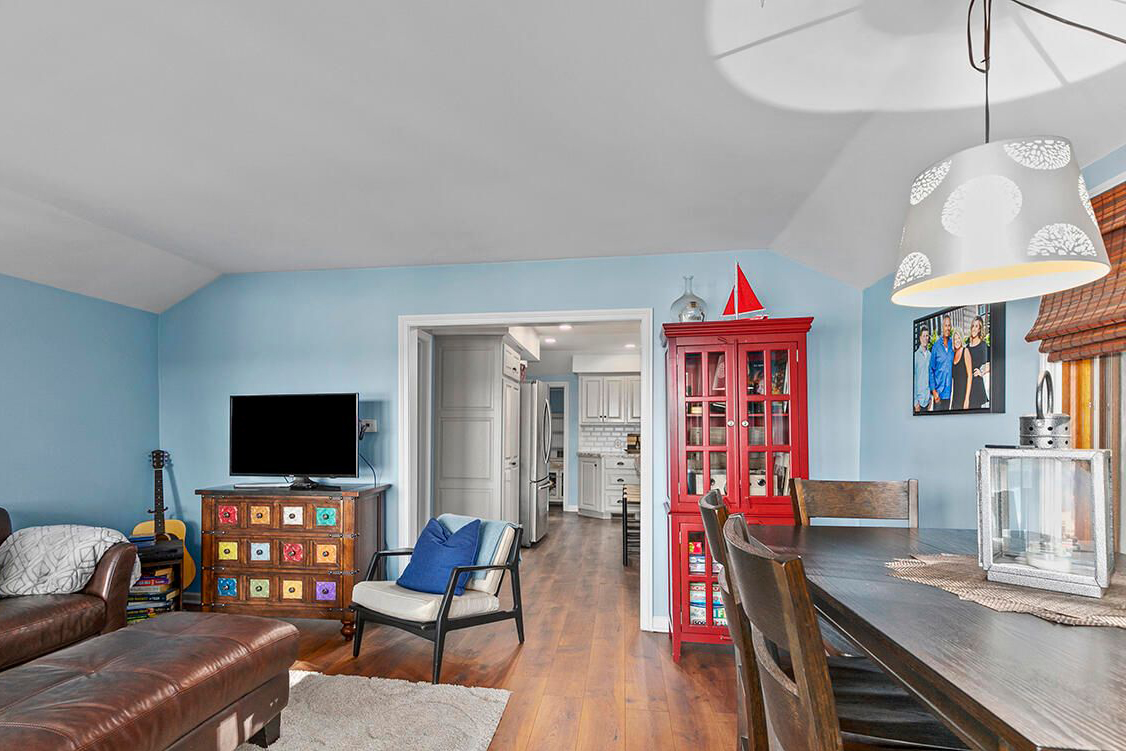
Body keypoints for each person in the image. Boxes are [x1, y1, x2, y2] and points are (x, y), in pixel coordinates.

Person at [929, 315, 955, 410]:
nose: (947, 328)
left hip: (949, 393)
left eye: (949, 325)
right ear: (942, 327)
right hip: (938, 394)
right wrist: (934, 392)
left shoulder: (953, 345)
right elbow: (931, 370)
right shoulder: (936, 346)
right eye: (945, 325)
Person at [968, 315, 991, 408]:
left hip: (978, 386)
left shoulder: (983, 346)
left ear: (980, 329)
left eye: (976, 326)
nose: (974, 328)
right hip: (968, 387)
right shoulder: (967, 347)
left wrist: (981, 372)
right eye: (973, 326)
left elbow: (992, 363)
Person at [951, 330, 972, 410]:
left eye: (958, 338)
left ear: (961, 339)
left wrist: (967, 399)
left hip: (964, 396)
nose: (957, 341)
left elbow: (970, 376)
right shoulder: (953, 354)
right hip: (955, 397)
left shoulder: (965, 351)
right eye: (955, 339)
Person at [913, 326, 932, 412]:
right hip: (918, 403)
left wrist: (930, 398)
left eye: (927, 336)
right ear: (920, 338)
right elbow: (913, 379)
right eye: (923, 336)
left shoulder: (930, 356)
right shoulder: (915, 356)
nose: (925, 338)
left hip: (927, 401)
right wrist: (915, 401)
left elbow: (931, 377)